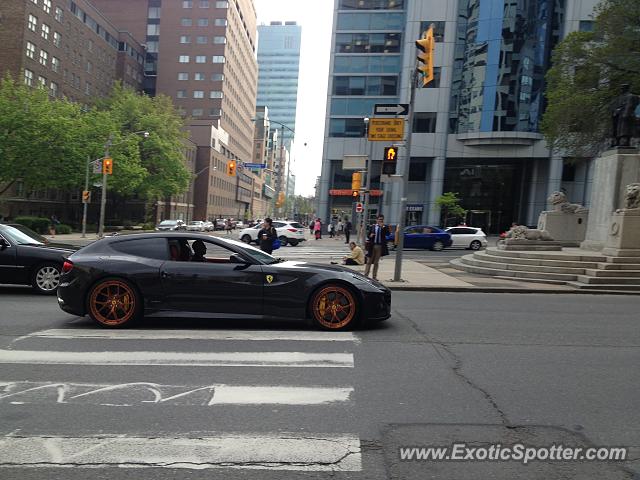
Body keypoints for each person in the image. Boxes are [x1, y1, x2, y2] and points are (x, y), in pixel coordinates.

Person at [364, 215, 390, 280]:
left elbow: (388, 234)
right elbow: (368, 235)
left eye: (382, 219)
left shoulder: (385, 227)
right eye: (379, 219)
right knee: (369, 261)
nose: (380, 220)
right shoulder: (373, 226)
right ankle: (366, 275)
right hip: (372, 245)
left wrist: (383, 227)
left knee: (376, 262)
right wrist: (370, 235)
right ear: (377, 220)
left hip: (379, 246)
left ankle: (374, 277)